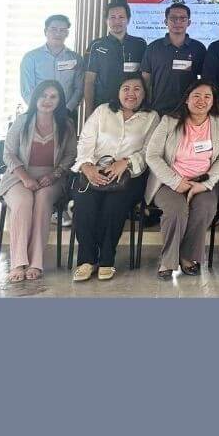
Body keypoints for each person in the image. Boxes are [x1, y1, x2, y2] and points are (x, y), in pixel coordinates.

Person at [71, 73, 158, 282]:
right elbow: (85, 141)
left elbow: (150, 151)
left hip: (129, 177)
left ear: (144, 93)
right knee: (84, 204)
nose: (131, 93)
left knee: (113, 206)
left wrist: (125, 162)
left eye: (137, 89)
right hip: (95, 171)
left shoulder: (152, 117)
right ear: (117, 92)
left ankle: (107, 259)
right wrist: (87, 166)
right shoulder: (102, 111)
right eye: (126, 88)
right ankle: (87, 260)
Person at [145, 80, 219, 280]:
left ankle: (187, 256)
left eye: (207, 97)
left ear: (213, 102)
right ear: (186, 99)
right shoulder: (169, 121)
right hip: (169, 181)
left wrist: (205, 184)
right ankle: (167, 260)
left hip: (203, 182)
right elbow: (152, 155)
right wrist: (176, 181)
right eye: (196, 96)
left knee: (204, 208)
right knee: (176, 210)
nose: (201, 101)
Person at [0, 81, 76, 282]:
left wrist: (55, 174)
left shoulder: (66, 124)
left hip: (51, 179)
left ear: (60, 101)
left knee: (42, 202)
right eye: (43, 95)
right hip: (18, 176)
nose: (47, 100)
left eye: (53, 97)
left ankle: (35, 262)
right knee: (24, 203)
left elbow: (70, 156)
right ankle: (18, 263)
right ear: (35, 98)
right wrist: (25, 178)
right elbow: (8, 154)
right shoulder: (22, 121)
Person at [141, 4, 207, 115]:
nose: (178, 22)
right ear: (166, 22)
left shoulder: (198, 48)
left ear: (189, 22)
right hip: (158, 111)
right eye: (173, 18)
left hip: (189, 111)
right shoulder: (153, 47)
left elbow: (204, 80)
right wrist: (145, 106)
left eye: (182, 18)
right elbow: (145, 80)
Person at [83, 2, 148, 114]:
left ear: (128, 19)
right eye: (112, 17)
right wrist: (89, 113)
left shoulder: (140, 44)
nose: (117, 21)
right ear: (106, 20)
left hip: (133, 107)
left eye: (121, 17)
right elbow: (89, 81)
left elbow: (146, 79)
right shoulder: (96, 45)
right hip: (104, 107)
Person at [20, 14, 83, 116]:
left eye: (62, 30)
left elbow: (79, 89)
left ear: (67, 33)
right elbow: (26, 90)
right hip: (38, 113)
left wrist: (67, 109)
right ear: (45, 31)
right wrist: (40, 109)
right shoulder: (31, 58)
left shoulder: (76, 59)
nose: (58, 33)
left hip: (67, 114)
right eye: (53, 29)